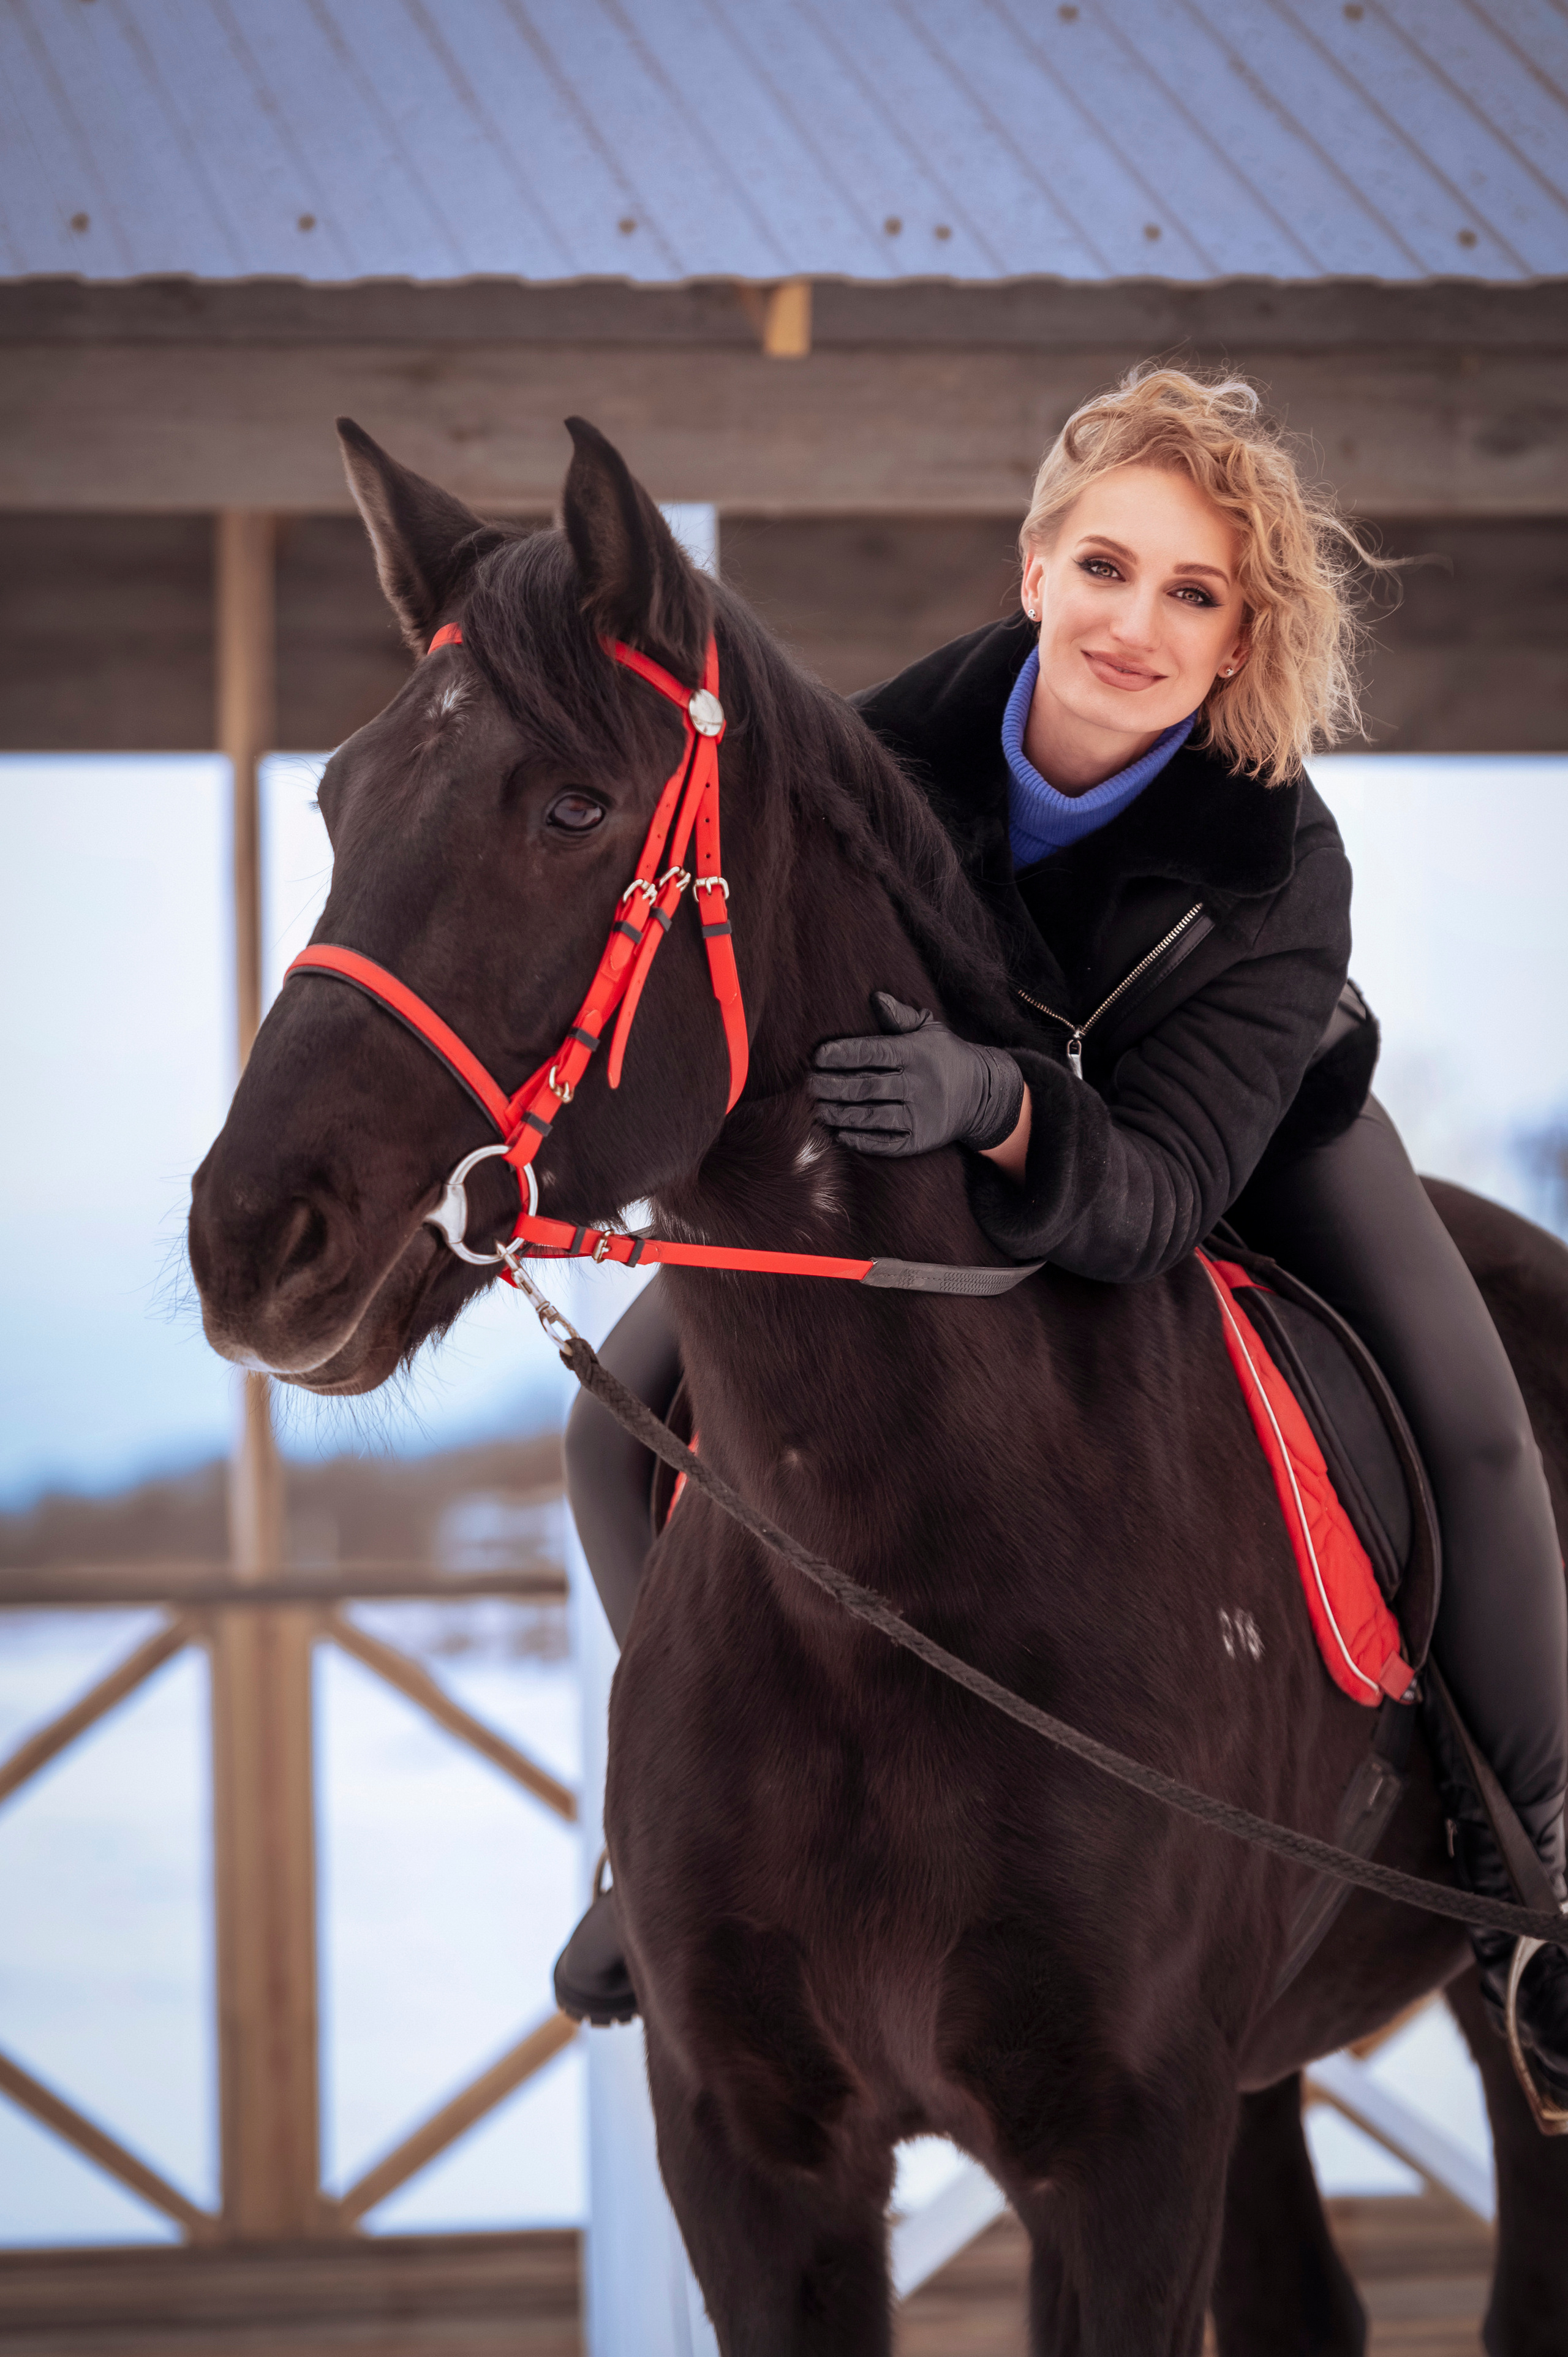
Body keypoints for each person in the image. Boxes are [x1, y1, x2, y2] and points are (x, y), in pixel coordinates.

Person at [554, 368, 1568, 2102]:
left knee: (1482, 1428)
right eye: (1107, 568)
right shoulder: (857, 767)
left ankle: (1535, 1875)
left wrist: (1003, 1107)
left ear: (1239, 637)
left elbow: (1167, 1191)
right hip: (927, 1149)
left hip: (1241, 1134)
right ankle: (660, 1843)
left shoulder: (1279, 863)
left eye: (1195, 594)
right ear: (1034, 567)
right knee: (607, 1426)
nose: (1136, 625)